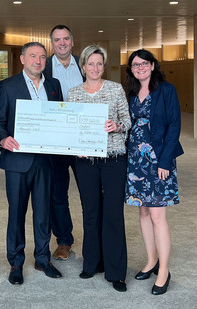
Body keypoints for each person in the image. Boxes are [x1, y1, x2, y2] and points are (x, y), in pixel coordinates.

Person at [0, 42, 64, 285]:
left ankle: (43, 258)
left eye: (43, 57)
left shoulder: (54, 86)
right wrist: (3, 138)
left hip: (46, 161)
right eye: (33, 56)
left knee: (43, 212)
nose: (38, 61)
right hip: (17, 161)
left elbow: (60, 120)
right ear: (22, 59)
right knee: (17, 213)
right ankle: (16, 262)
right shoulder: (7, 86)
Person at [66, 45, 131, 292]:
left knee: (113, 214)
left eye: (99, 64)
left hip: (114, 159)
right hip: (85, 161)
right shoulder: (73, 93)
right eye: (90, 64)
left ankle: (116, 271)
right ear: (82, 67)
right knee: (90, 212)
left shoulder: (115, 89)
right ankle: (92, 263)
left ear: (104, 66)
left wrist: (117, 125)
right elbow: (70, 128)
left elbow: (128, 120)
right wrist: (74, 146)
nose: (95, 68)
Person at [124, 49, 184, 296]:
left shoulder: (166, 90)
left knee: (159, 216)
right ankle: (150, 261)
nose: (139, 67)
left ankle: (164, 270)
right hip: (136, 161)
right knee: (144, 212)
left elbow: (174, 126)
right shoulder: (131, 92)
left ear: (152, 65)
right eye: (135, 65)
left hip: (159, 160)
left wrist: (164, 161)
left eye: (143, 63)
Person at [43, 25, 84, 261]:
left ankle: (96, 238)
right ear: (52, 43)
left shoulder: (86, 63)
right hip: (55, 141)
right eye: (57, 39)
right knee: (57, 194)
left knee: (90, 193)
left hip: (83, 140)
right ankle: (64, 241)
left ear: (72, 41)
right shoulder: (44, 67)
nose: (61, 43)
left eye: (65, 38)